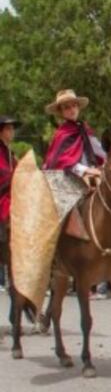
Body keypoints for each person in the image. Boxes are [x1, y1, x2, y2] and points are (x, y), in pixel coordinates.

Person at [42, 89, 105, 185]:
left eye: (74, 106)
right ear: (61, 112)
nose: (72, 110)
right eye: (67, 108)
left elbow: (101, 150)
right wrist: (86, 170)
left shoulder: (84, 130)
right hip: (69, 182)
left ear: (78, 108)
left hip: (92, 176)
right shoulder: (62, 134)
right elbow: (61, 161)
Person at [0, 115, 20, 291]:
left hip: (12, 196)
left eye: (12, 128)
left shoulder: (10, 153)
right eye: (8, 129)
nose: (11, 132)